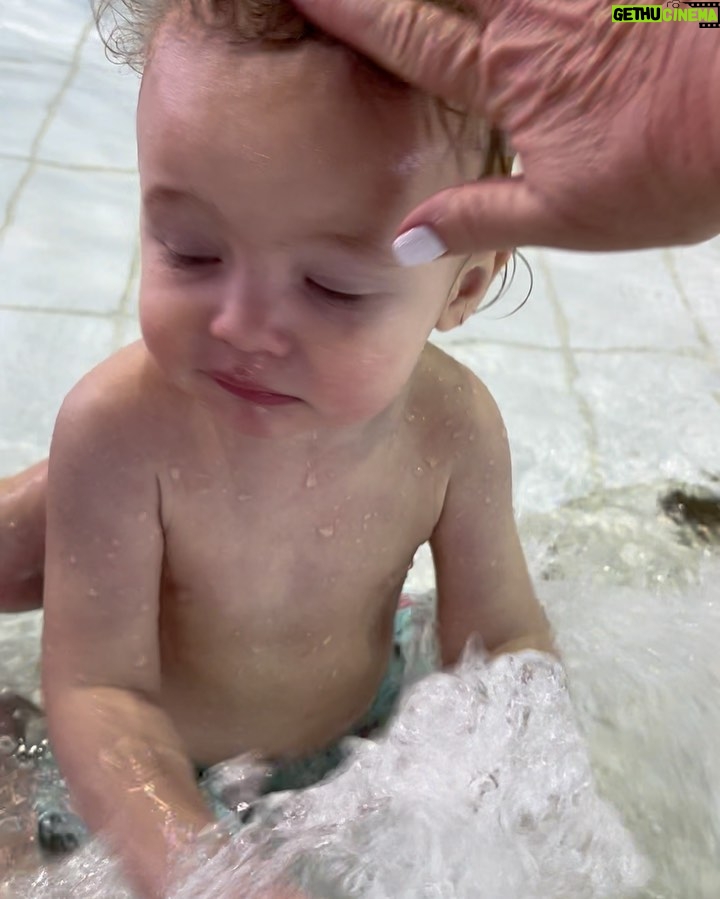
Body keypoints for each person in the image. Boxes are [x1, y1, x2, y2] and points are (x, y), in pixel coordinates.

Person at [1, 1, 553, 896]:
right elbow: (103, 694)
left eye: (333, 288)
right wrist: (207, 869)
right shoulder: (120, 431)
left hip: (357, 725)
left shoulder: (456, 429)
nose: (243, 327)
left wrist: (515, 797)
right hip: (150, 758)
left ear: (466, 283)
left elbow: (502, 635)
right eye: (190, 252)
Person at [291, 0, 720, 260]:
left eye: (332, 289)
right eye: (217, 254)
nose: (230, 327)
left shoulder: (452, 408)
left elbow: (686, 13)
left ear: (468, 288)